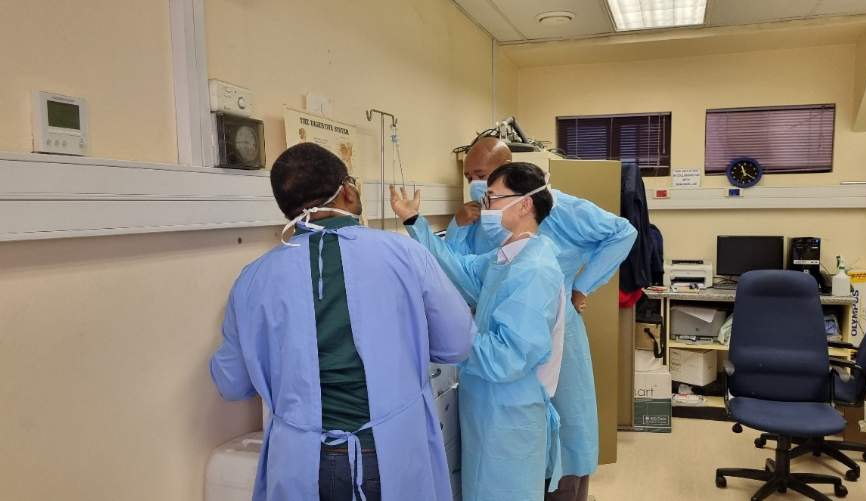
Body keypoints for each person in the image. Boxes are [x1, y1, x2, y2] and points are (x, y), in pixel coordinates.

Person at [209, 143, 477, 501]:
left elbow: (232, 384)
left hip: (302, 465)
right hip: (390, 455)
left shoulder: (252, 279)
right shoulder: (405, 254)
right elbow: (458, 344)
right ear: (347, 190)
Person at [448, 138, 638, 501]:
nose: (475, 184)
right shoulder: (483, 213)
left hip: (554, 325)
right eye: (469, 176)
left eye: (482, 175)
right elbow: (462, 269)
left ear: (508, 168)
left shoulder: (558, 205)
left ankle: (568, 494)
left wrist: (581, 287)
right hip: (504, 327)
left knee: (567, 422)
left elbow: (622, 233)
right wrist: (458, 225)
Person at [389, 162, 566, 501]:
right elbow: (457, 269)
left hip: (508, 413)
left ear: (525, 204)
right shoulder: (507, 258)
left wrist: (448, 340)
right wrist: (414, 222)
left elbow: (506, 356)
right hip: (488, 404)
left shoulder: (534, 270)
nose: (485, 208)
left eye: (492, 199)